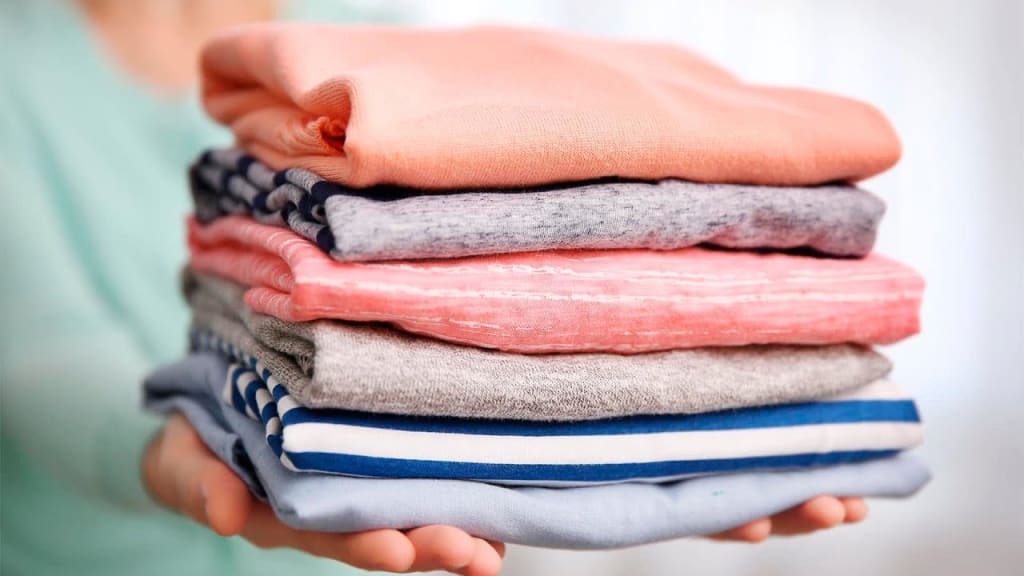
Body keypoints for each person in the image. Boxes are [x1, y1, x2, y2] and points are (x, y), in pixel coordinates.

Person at [0, 1, 870, 575]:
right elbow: (41, 348)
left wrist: (684, 433)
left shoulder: (370, 51)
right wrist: (160, 452)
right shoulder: (19, 65)